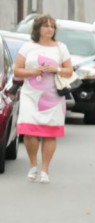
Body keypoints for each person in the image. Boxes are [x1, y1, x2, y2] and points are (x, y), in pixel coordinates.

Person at [14, 14, 74, 184]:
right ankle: (33, 164)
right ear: (38, 29)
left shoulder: (61, 48)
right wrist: (33, 71)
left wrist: (56, 69)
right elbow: (17, 70)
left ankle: (45, 170)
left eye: (53, 26)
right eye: (46, 26)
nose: (50, 29)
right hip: (30, 95)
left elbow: (69, 70)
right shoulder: (28, 47)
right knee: (29, 130)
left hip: (53, 96)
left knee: (49, 133)